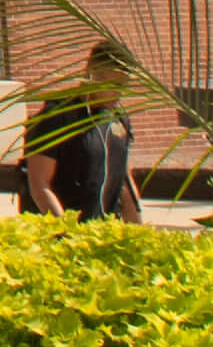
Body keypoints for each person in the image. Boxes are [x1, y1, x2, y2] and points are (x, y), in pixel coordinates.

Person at [19, 43, 151, 223]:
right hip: (61, 232)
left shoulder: (118, 118)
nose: (120, 93)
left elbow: (125, 183)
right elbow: (39, 185)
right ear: (92, 73)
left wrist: (138, 231)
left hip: (101, 232)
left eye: (125, 86)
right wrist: (67, 233)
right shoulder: (56, 117)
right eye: (115, 84)